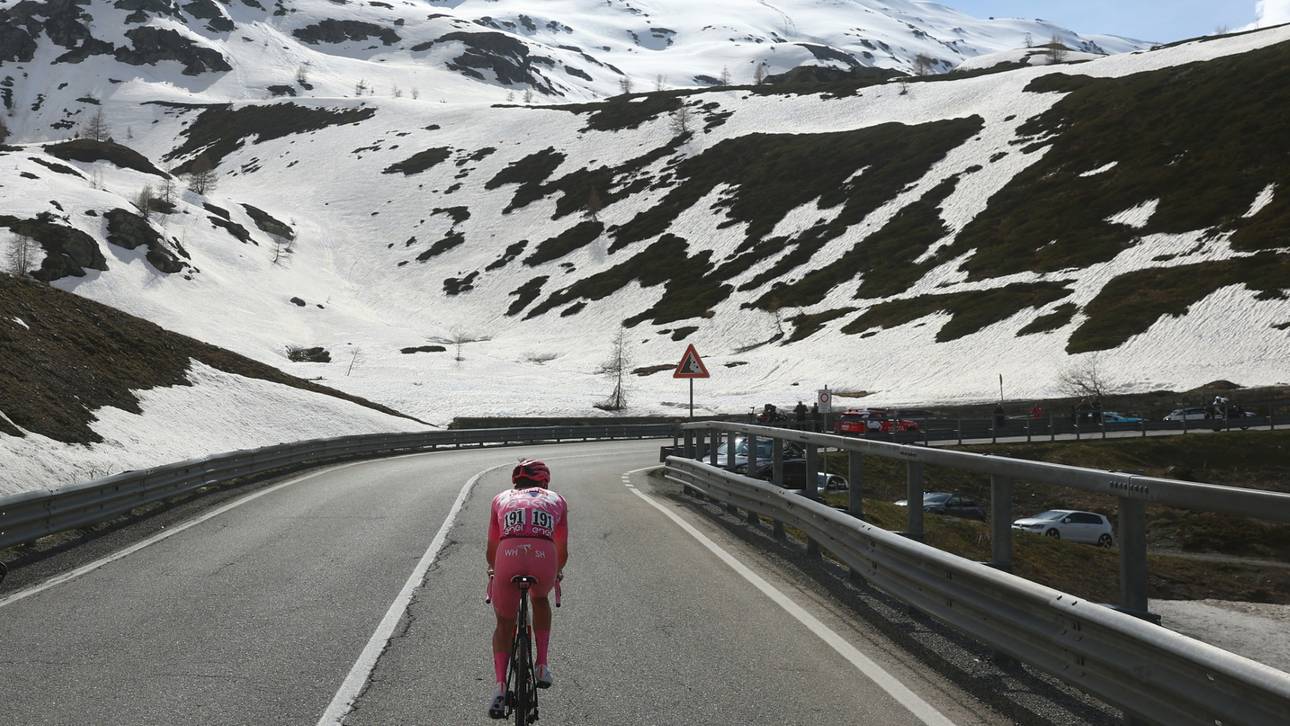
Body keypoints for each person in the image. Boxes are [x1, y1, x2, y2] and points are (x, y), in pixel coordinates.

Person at [486, 459, 569, 719]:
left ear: (515, 481)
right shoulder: (558, 500)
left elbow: (491, 548)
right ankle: (542, 665)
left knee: (504, 623)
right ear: (544, 480)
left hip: (508, 555)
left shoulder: (500, 498)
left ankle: (500, 688)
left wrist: (492, 569)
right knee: (540, 599)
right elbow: (562, 548)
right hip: (544, 557)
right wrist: (557, 571)